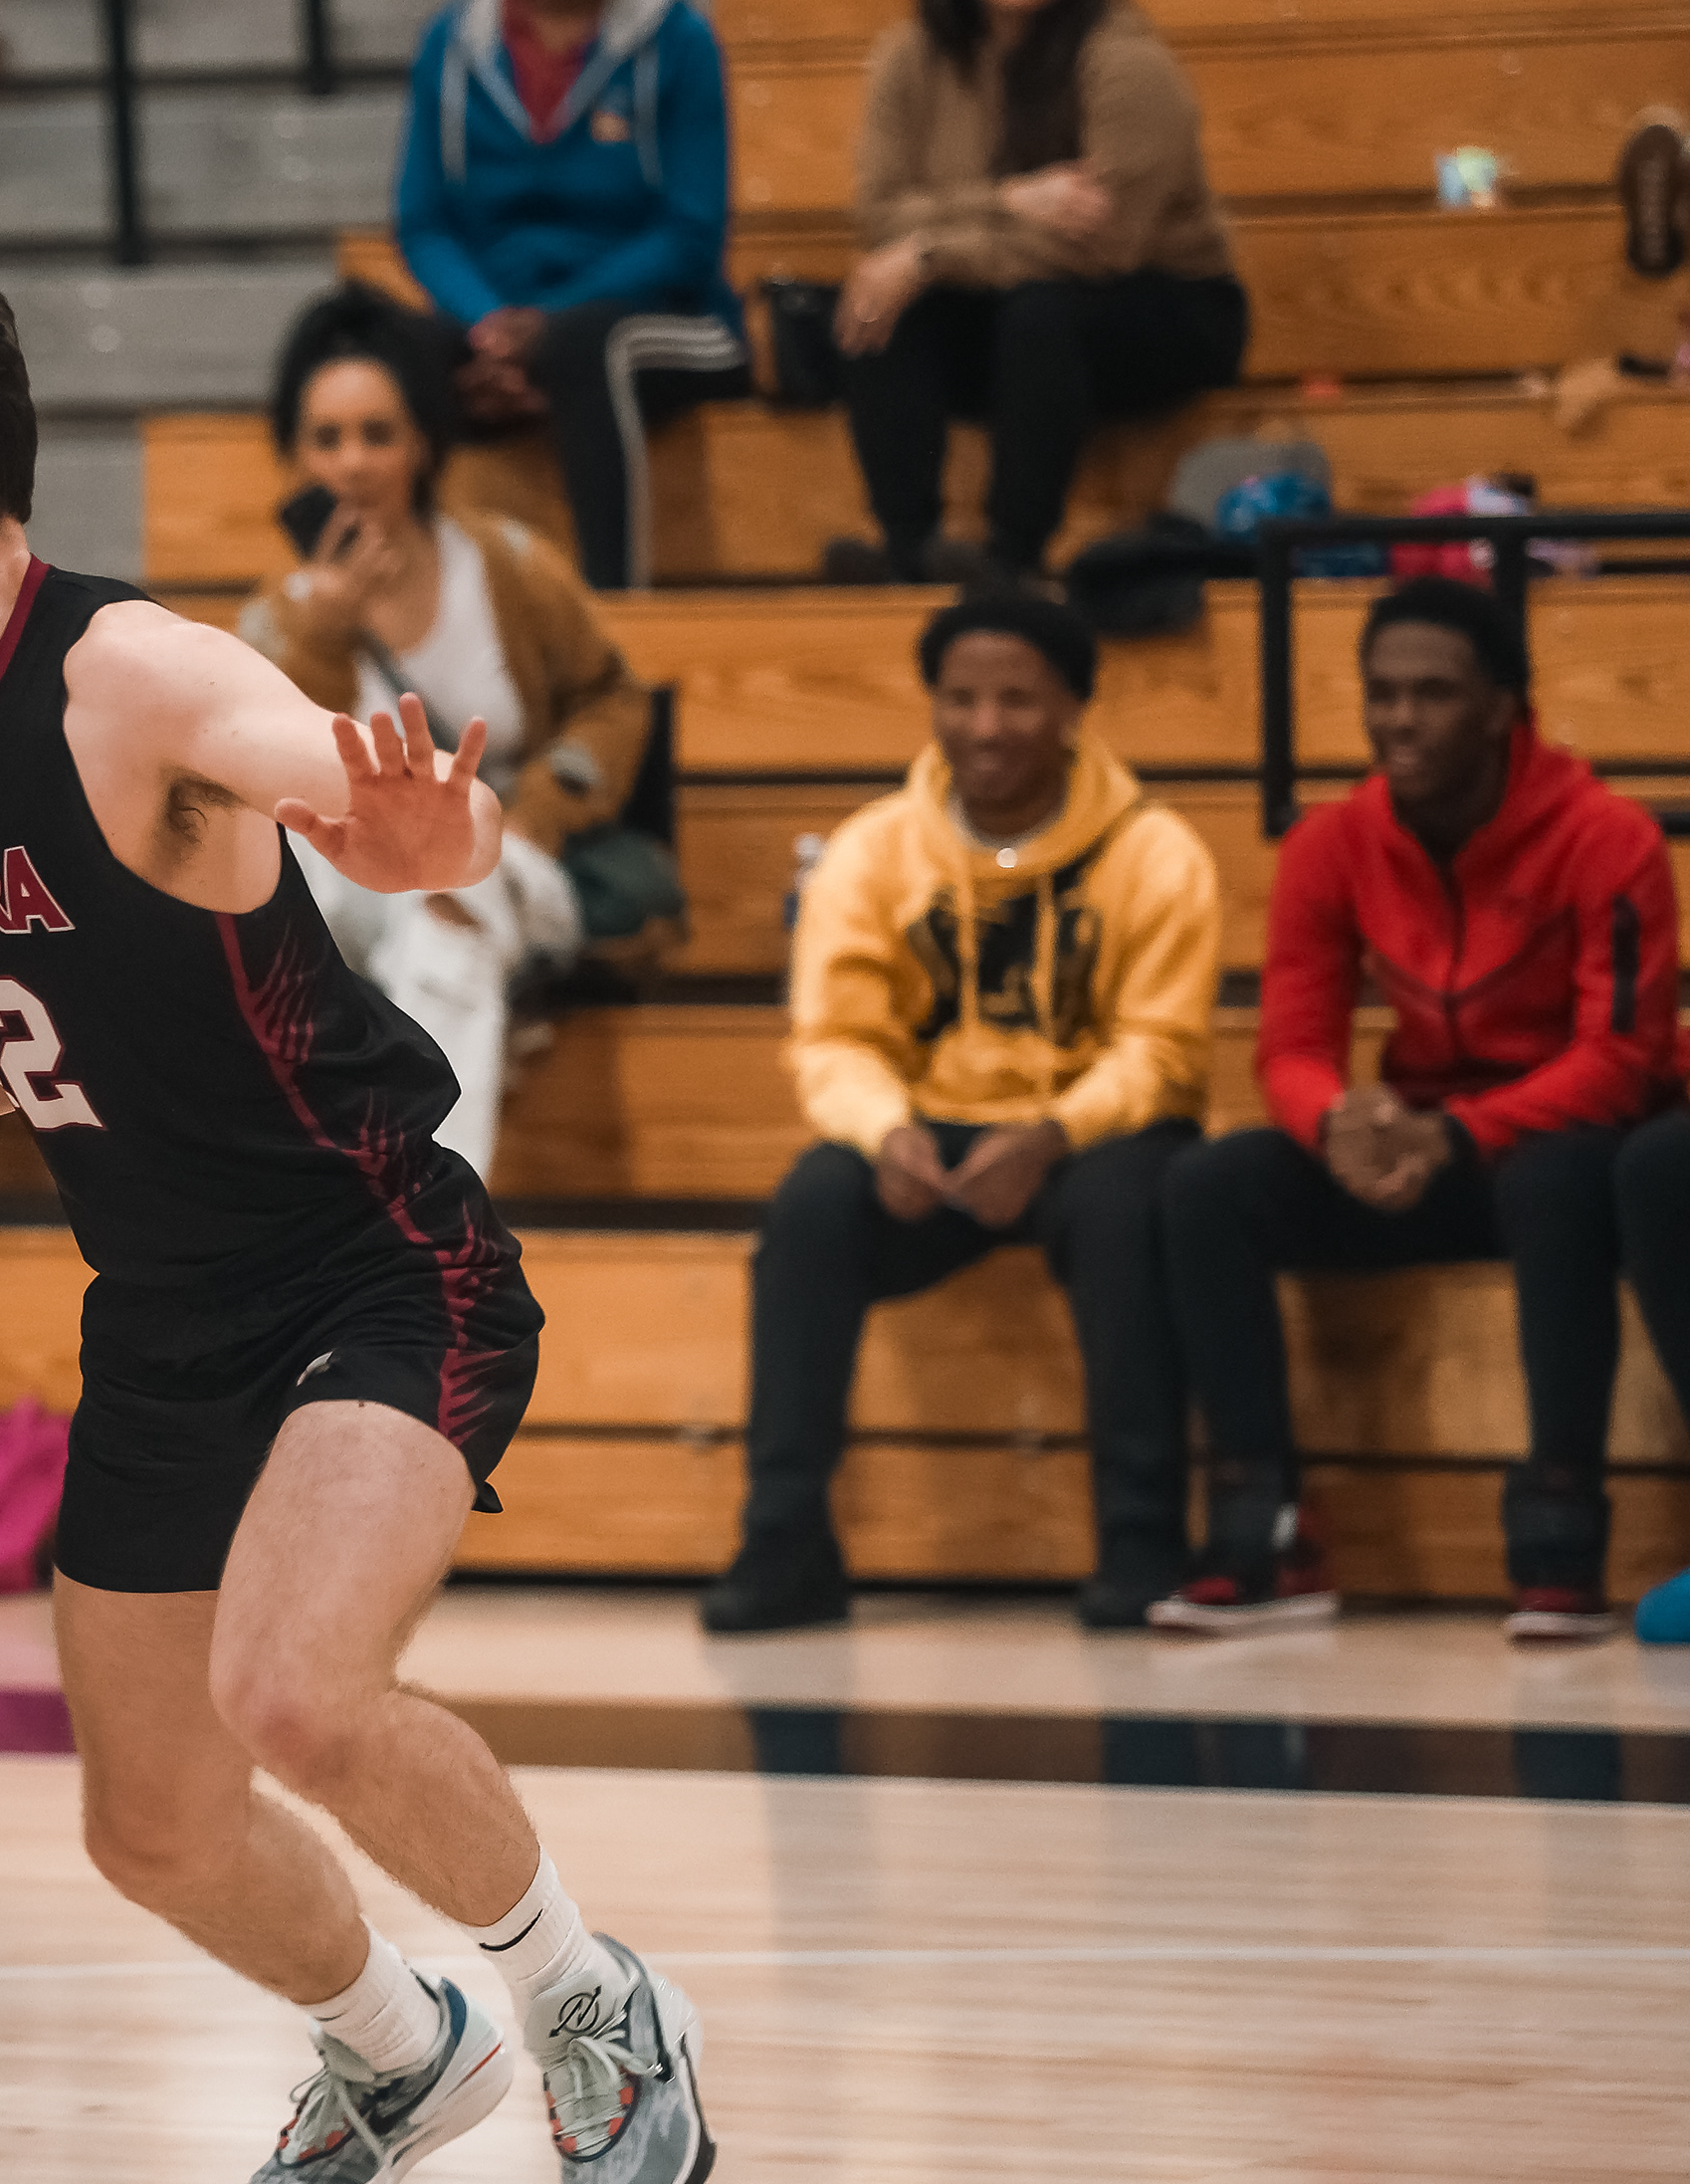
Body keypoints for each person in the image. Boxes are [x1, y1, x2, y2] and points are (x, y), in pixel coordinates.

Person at [0, 252, 715, 2184]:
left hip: (369, 1259)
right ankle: (397, 2048)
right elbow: (49, 1017)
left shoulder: (134, 680)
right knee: (153, 1823)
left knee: (295, 1691)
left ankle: (589, 2001)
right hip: (166, 1319)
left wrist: (430, 842)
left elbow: (361, 790)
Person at [1158, 578, 1681, 1641]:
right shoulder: (1332, 843)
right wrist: (1338, 1127)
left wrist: (1459, 1134)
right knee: (1209, 1185)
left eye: (1433, 694)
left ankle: (1560, 1539)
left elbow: (1620, 1060)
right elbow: (1291, 1047)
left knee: (1560, 1180)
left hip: (1555, 1145)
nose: (1399, 719)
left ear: (1501, 707)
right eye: (1381, 694)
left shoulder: (1606, 837)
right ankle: (1266, 1530)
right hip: (1418, 1146)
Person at [705, 589, 1214, 1636]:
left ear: (1072, 709)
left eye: (1018, 700)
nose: (986, 725)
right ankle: (786, 1542)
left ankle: (1143, 1539)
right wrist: (884, 1129)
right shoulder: (874, 849)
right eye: (961, 698)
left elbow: (1162, 1052)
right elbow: (833, 1038)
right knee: (811, 1207)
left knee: (1125, 1215)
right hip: (929, 1127)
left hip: (1088, 1130)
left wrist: (1055, 1133)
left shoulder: (1156, 852)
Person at [234, 283, 653, 1173]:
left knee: (446, 915)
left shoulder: (506, 566)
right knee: (273, 899)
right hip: (354, 866)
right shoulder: (277, 619)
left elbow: (614, 697)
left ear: (423, 441)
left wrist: (539, 814)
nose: (352, 463)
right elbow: (256, 773)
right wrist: (325, 633)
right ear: (297, 455)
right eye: (327, 439)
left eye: (377, 434)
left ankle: (427, 1213)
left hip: (505, 850)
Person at [825, 0, 1248, 589]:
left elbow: (1102, 248)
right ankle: (908, 551)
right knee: (876, 300)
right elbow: (878, 216)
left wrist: (932, 252)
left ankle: (1012, 556)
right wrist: (1008, 200)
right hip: (1011, 307)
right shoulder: (909, 55)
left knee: (1039, 311)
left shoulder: (1128, 62)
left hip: (1165, 305)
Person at [390, 0, 747, 592]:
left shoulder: (678, 39)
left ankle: (618, 613)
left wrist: (549, 328)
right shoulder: (451, 41)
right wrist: (492, 328)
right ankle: (385, 612)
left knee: (585, 348)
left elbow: (691, 234)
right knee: (377, 347)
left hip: (667, 323)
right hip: (501, 323)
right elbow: (423, 223)